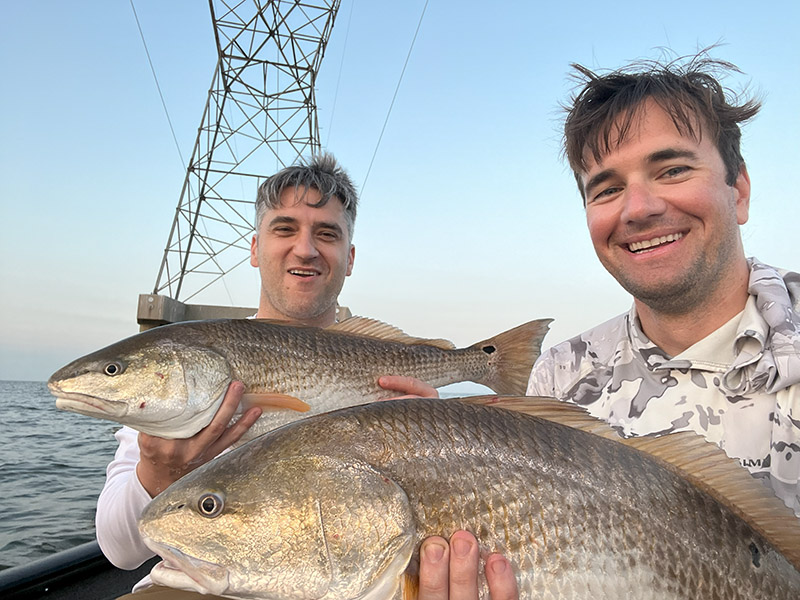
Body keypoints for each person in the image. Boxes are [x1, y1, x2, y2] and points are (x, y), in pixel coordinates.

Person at [101, 152, 465, 598]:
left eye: (326, 234)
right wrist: (157, 472)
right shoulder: (183, 378)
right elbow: (118, 551)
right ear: (255, 248)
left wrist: (434, 442)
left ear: (349, 259)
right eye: (284, 228)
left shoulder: (393, 376)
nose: (306, 249)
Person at [526, 54, 799, 518]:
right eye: (607, 189)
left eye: (672, 170)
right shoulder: (557, 379)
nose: (638, 208)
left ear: (740, 190)